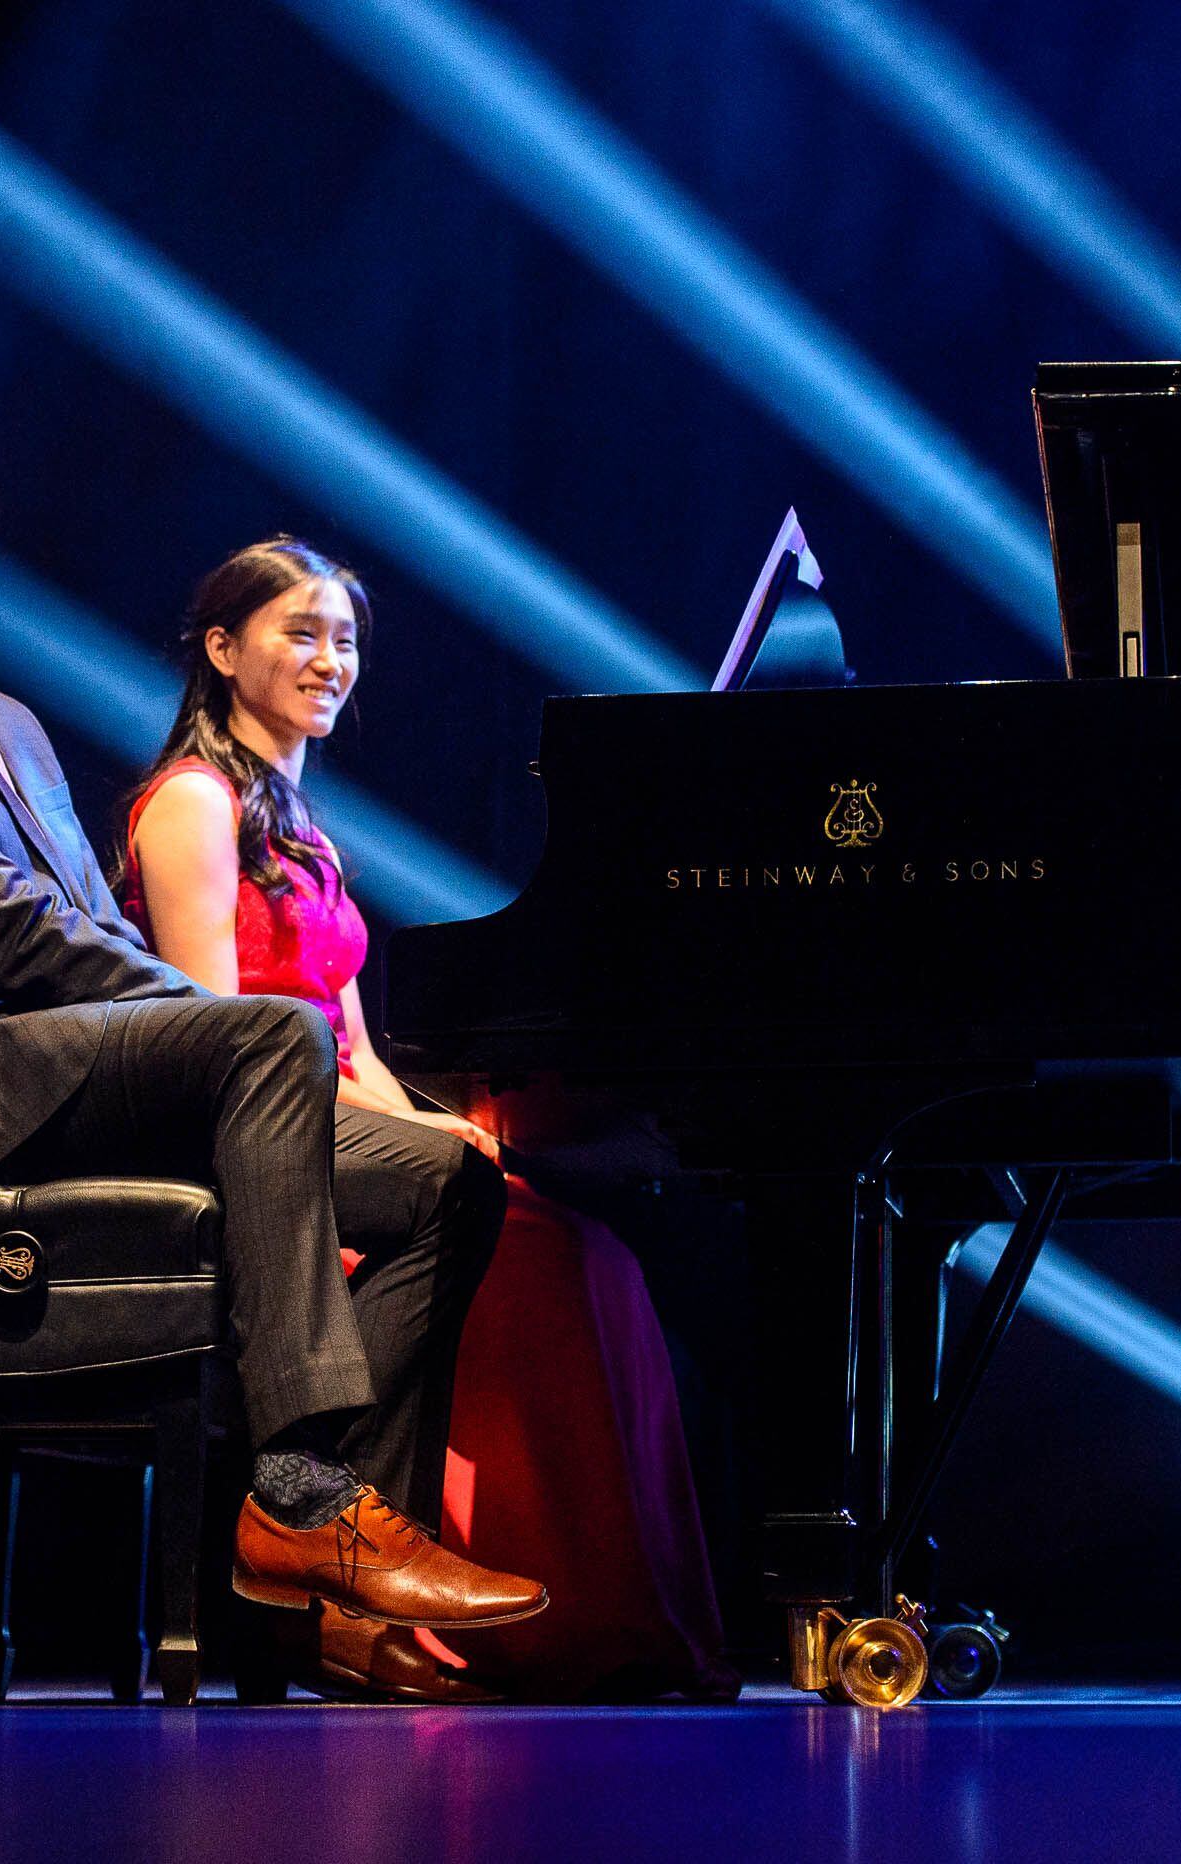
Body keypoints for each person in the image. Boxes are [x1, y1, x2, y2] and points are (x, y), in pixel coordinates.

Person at [0, 373, 546, 1655]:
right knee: (266, 1036)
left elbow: (90, 937)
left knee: (447, 1183)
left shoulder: (1, 714)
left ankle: (352, 1557)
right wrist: (208, 1031)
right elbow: (6, 936)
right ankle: (298, 1489)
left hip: (73, 1070)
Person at [119, 537, 739, 1703]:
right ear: (220, 649)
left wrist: (451, 1129)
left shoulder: (302, 826)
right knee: (525, 1247)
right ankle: (368, 1569)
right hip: (250, 1142)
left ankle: (537, 1602)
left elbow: (356, 1050)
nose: (328, 659)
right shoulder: (192, 804)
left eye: (344, 639)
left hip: (335, 1120)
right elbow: (216, 1034)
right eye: (299, 633)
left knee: (573, 1237)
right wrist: (410, 1138)